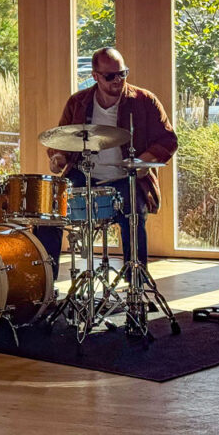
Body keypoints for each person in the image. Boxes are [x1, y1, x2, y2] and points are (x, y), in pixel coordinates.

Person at [34, 47, 178, 279]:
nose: (118, 80)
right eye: (110, 76)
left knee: (133, 216)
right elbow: (63, 139)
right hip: (83, 175)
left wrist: (144, 162)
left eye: (123, 73)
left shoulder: (144, 101)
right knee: (48, 215)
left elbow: (168, 139)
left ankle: (136, 288)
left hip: (126, 177)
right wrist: (58, 157)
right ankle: (46, 286)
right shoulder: (78, 102)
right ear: (95, 76)